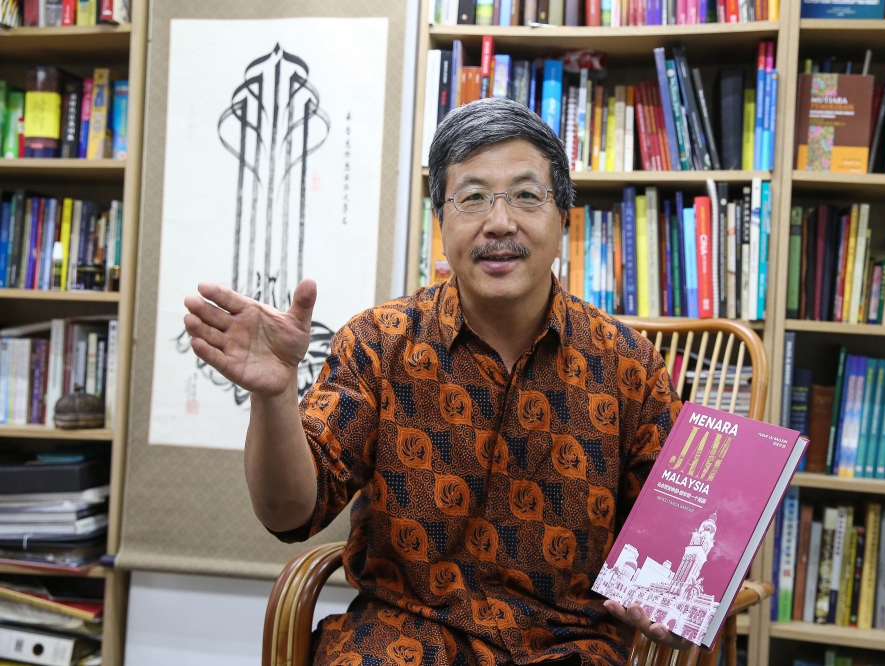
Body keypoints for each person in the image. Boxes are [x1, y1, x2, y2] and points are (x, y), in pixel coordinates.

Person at [183, 97, 690, 666]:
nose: (500, 223)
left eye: (526, 196)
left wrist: (677, 602)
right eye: (473, 198)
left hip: (567, 645)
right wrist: (273, 394)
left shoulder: (630, 366)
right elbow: (290, 515)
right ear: (441, 224)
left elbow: (674, 543)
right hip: (403, 638)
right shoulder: (379, 342)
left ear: (565, 218)